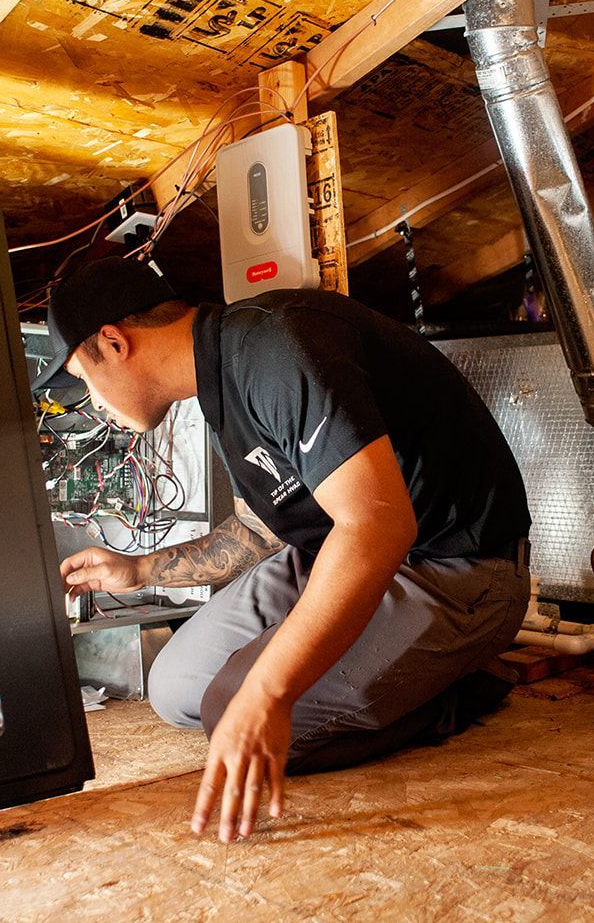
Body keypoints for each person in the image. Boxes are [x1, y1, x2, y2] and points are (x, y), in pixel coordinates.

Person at [34, 257, 531, 843]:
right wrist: (140, 569)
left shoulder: (276, 346)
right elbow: (260, 528)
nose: (90, 403)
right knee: (174, 689)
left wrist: (269, 691)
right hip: (337, 553)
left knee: (237, 712)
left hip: (456, 568)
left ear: (114, 343)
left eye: (83, 381)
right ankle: (385, 675)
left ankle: (455, 689)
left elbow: (375, 527)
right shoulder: (221, 374)